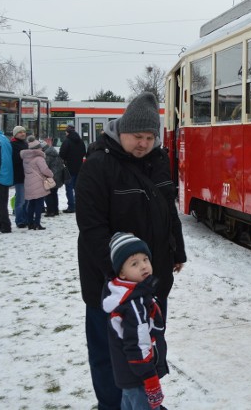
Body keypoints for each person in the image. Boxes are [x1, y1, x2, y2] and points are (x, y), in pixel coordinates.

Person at [76, 92, 186, 410]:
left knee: (147, 344)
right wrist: (118, 274)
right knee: (109, 349)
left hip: (152, 277)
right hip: (109, 282)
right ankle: (112, 404)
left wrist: (177, 251)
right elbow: (91, 227)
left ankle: (140, 402)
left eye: (150, 137)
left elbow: (168, 209)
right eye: (138, 136)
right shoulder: (98, 164)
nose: (143, 143)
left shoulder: (159, 161)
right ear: (122, 131)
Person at [102, 232, 168, 410]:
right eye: (134, 263)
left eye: (146, 259)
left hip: (126, 374)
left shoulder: (124, 293)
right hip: (139, 376)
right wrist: (150, 379)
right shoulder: (134, 304)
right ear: (121, 273)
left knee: (128, 403)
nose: (144, 266)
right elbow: (138, 345)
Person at [21, 136, 53, 231]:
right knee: (39, 204)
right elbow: (45, 170)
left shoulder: (25, 158)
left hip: (29, 183)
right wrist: (51, 174)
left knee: (31, 204)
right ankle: (37, 223)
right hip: (38, 183)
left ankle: (30, 223)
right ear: (38, 148)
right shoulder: (39, 158)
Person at [59, 124, 85, 214]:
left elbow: (62, 154)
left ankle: (71, 206)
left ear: (67, 132)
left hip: (69, 168)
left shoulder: (67, 141)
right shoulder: (81, 141)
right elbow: (84, 152)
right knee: (77, 187)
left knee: (69, 188)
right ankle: (78, 205)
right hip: (79, 167)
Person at [10, 125, 28, 228]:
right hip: (19, 175)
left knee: (26, 199)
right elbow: (15, 159)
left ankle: (25, 218)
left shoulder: (25, 144)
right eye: (20, 132)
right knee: (20, 199)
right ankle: (19, 220)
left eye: (24, 132)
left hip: (27, 175)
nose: (23, 133)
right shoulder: (12, 145)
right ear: (15, 134)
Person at [42, 142, 65, 217]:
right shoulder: (55, 153)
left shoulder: (47, 155)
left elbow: (45, 166)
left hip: (51, 177)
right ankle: (55, 210)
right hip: (58, 176)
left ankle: (50, 211)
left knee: (48, 194)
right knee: (54, 194)